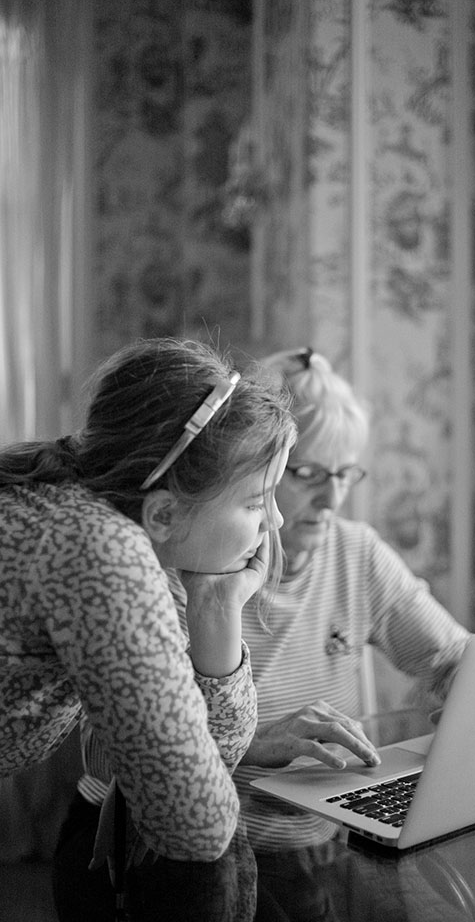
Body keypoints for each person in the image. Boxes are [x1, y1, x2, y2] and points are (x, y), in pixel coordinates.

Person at [0, 336, 296, 922]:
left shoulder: (83, 516)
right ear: (163, 512)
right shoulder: (97, 552)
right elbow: (197, 825)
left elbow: (202, 768)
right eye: (258, 504)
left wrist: (217, 604)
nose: (278, 520)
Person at [234, 347, 471, 921]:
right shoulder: (200, 560)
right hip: (224, 842)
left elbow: (451, 657)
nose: (331, 498)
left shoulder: (354, 549)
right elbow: (117, 749)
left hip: (324, 840)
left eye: (344, 474)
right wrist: (249, 739)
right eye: (309, 473)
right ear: (253, 466)